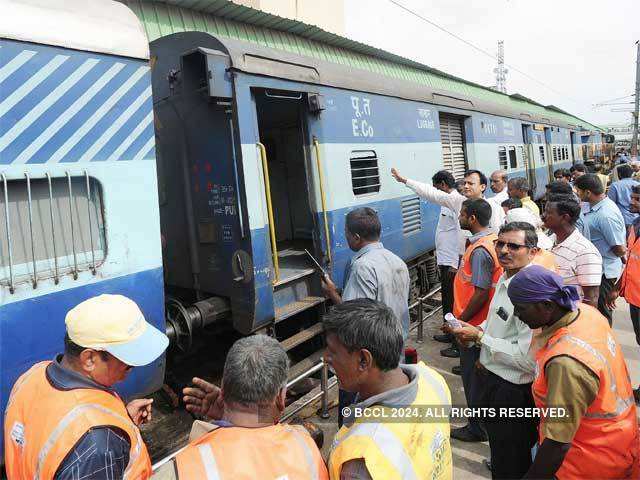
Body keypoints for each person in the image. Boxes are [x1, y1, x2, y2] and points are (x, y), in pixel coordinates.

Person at [4, 294, 169, 480]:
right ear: (89, 359)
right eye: (128, 361)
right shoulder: (98, 445)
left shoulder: (31, 376)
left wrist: (122, 421)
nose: (132, 367)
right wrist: (107, 434)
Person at [507, 266, 639, 480]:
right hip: (617, 442)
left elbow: (557, 444)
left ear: (547, 306)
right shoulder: (586, 313)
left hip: (583, 464)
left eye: (521, 308)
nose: (516, 315)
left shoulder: (566, 363)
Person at [448, 222, 542, 479]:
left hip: (514, 391)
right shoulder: (506, 276)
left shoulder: (531, 292)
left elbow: (526, 359)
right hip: (495, 381)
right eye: (500, 243)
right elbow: (496, 321)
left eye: (514, 246)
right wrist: (476, 330)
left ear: (532, 252)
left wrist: (480, 338)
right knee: (500, 452)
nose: (504, 250)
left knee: (512, 460)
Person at [164, 336, 328, 480]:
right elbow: (261, 425)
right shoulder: (306, 449)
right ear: (280, 397)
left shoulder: (181, 468)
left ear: (223, 388)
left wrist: (225, 422)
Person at [324, 299, 452, 480]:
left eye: (332, 351)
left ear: (363, 360)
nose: (326, 358)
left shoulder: (361, 459)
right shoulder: (432, 379)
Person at [320, 207, 410, 426]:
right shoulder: (398, 261)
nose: (346, 237)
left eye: (347, 234)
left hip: (366, 368)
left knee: (354, 426)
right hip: (394, 355)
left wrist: (333, 294)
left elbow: (353, 321)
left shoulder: (362, 267)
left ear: (356, 237)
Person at [451, 199, 503, 442]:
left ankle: (477, 428)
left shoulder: (481, 250)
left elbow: (480, 292)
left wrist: (460, 322)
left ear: (472, 218)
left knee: (473, 380)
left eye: (462, 214)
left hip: (474, 326)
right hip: (482, 323)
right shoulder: (490, 242)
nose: (459, 217)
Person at [575, 174, 626, 324]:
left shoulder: (605, 215)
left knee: (602, 315)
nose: (577, 194)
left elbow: (620, 249)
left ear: (588, 193)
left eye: (579, 191)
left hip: (604, 272)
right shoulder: (596, 208)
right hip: (597, 269)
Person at [391, 167, 505, 233]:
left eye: (470, 183)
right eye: (465, 183)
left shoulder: (493, 207)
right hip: (463, 257)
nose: (465, 186)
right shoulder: (458, 201)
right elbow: (431, 193)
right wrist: (405, 181)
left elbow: (497, 233)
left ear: (483, 187)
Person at [606, 184, 640, 403]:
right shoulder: (635, 225)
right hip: (635, 298)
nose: (631, 202)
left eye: (637, 199)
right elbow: (630, 262)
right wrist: (617, 288)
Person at [543, 194, 602, 308]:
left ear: (565, 217)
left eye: (548, 212)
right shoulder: (549, 243)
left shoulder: (585, 252)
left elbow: (591, 298)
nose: (543, 216)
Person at [429, 170, 464, 354]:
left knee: (453, 301)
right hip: (445, 259)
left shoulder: (455, 202)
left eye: (437, 187)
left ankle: (457, 344)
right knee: (447, 300)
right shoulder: (448, 203)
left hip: (451, 261)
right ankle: (449, 333)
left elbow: (460, 234)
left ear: (443, 185)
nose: (436, 192)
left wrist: (454, 263)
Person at [607, 163, 639, 231]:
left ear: (620, 174)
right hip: (636, 218)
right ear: (631, 174)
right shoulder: (638, 184)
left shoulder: (615, 185)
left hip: (622, 219)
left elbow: (610, 203)